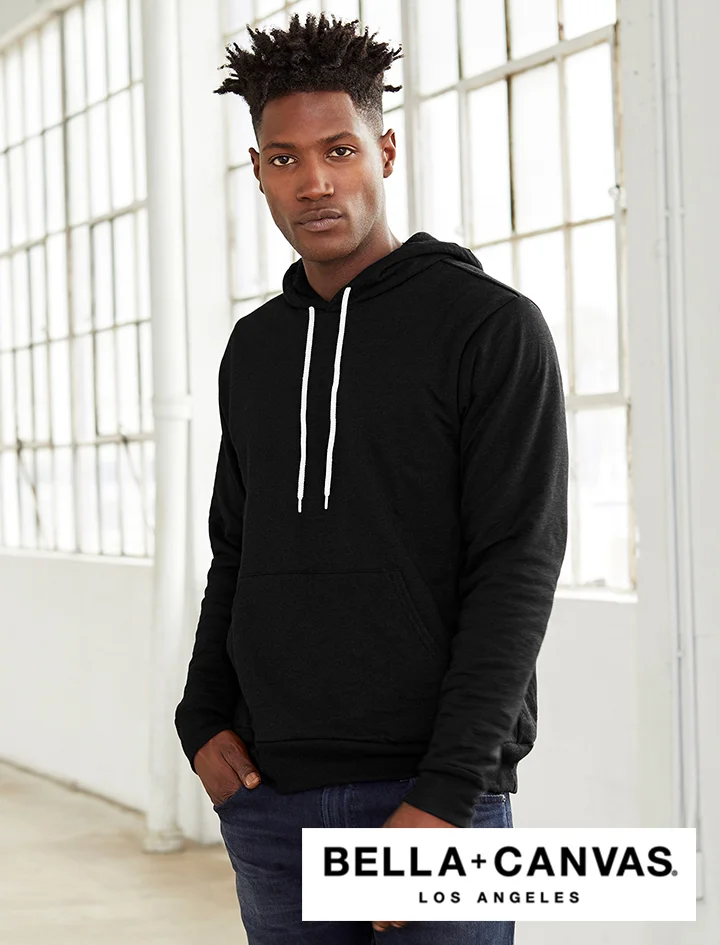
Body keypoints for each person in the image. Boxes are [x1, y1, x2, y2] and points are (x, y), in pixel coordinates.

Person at [175, 12, 568, 944]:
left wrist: (446, 796)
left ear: (384, 152)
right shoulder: (254, 350)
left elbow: (516, 567)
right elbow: (236, 548)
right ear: (258, 170)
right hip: (270, 799)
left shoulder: (489, 328)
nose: (313, 181)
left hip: (431, 800)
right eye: (284, 158)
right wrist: (200, 716)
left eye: (339, 150)